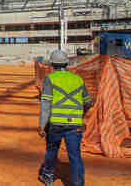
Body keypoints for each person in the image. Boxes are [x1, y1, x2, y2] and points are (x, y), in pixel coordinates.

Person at [38, 49, 91, 186]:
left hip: (55, 123)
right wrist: (80, 115)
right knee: (75, 155)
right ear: (67, 63)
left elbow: (46, 104)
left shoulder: (50, 79)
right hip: (74, 124)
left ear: (52, 64)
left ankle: (48, 177)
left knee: (52, 150)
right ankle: (78, 183)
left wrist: (42, 125)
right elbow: (87, 102)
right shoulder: (78, 79)